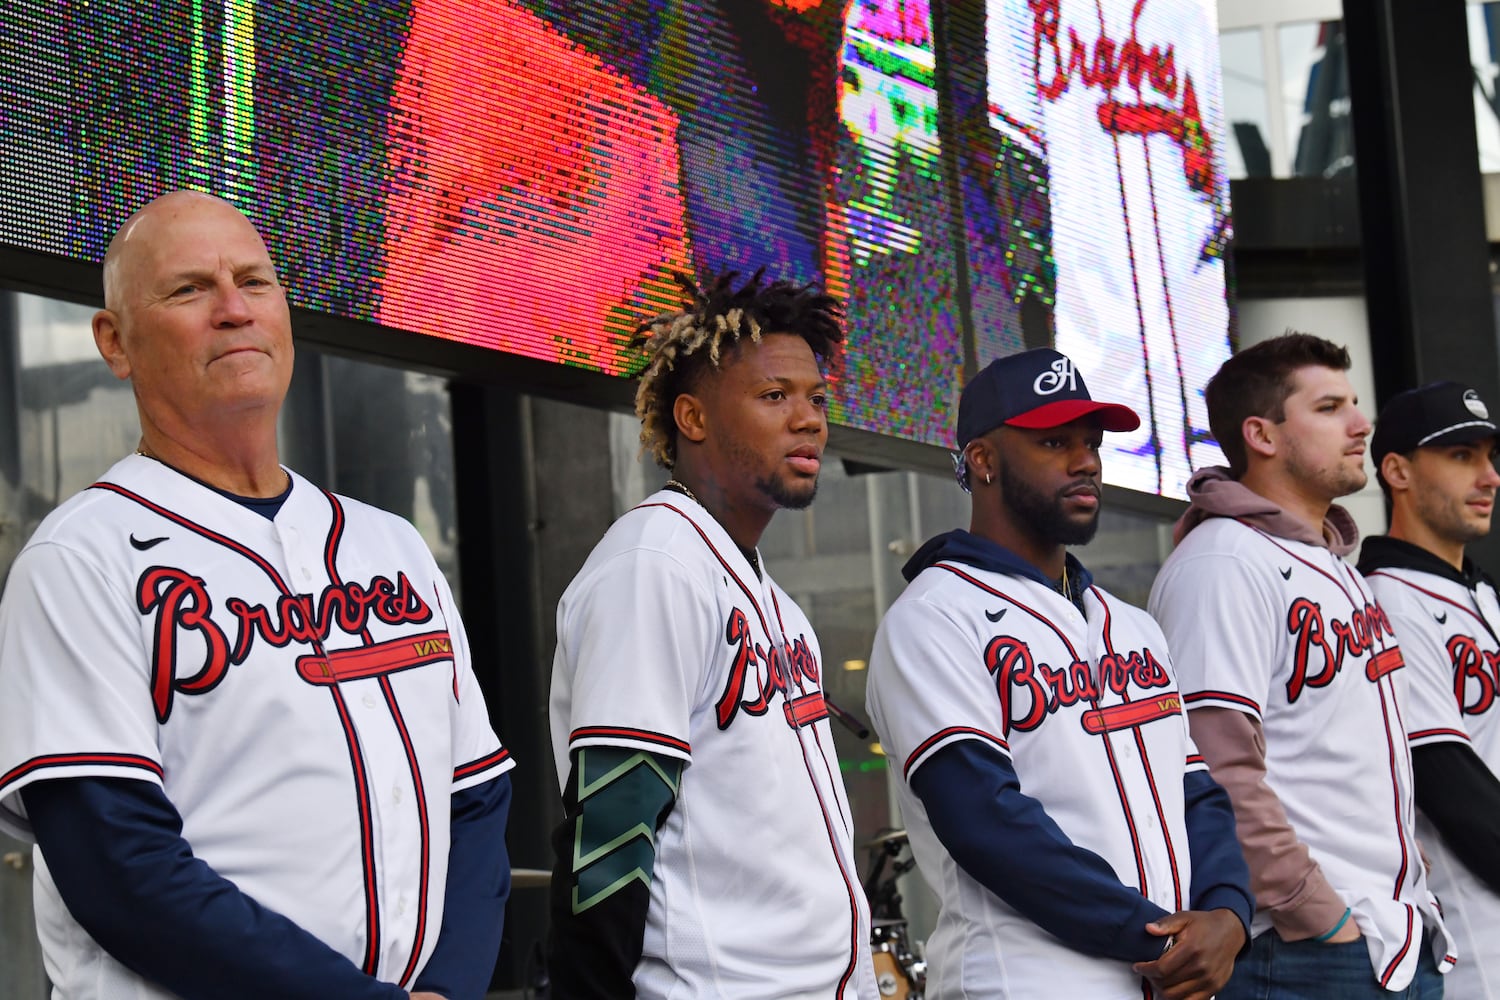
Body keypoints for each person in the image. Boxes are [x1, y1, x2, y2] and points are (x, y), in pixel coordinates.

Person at [0, 190, 514, 1000]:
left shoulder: (392, 544)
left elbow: (476, 797)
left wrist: (448, 988)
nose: (233, 310)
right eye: (189, 289)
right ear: (114, 341)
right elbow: (119, 867)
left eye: (255, 281)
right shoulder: (80, 558)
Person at [865, 347, 1252, 1000]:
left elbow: (1196, 794)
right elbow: (986, 823)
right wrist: (1164, 940)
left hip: (1166, 978)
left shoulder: (1129, 624)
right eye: (1054, 441)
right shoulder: (934, 617)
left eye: (1092, 442)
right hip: (1028, 982)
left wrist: (1228, 915)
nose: (1086, 461)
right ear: (982, 461)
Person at [547, 271, 876, 998]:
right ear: (693, 419)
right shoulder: (654, 565)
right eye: (773, 396)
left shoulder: (774, 602)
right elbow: (609, 836)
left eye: (816, 399)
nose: (809, 419)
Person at [1148, 333, 1454, 998]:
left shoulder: (1330, 564)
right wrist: (1319, 914)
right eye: (1329, 407)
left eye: (1354, 404)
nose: (1360, 425)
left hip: (1388, 935)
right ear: (1262, 434)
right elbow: (1214, 762)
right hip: (1304, 952)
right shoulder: (1223, 562)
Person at [1359, 381, 1500, 999]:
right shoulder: (1387, 596)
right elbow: (1445, 777)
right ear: (1398, 471)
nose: (1489, 477)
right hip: (1475, 933)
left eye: (1490, 457)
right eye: (1462, 456)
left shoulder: (1483, 594)